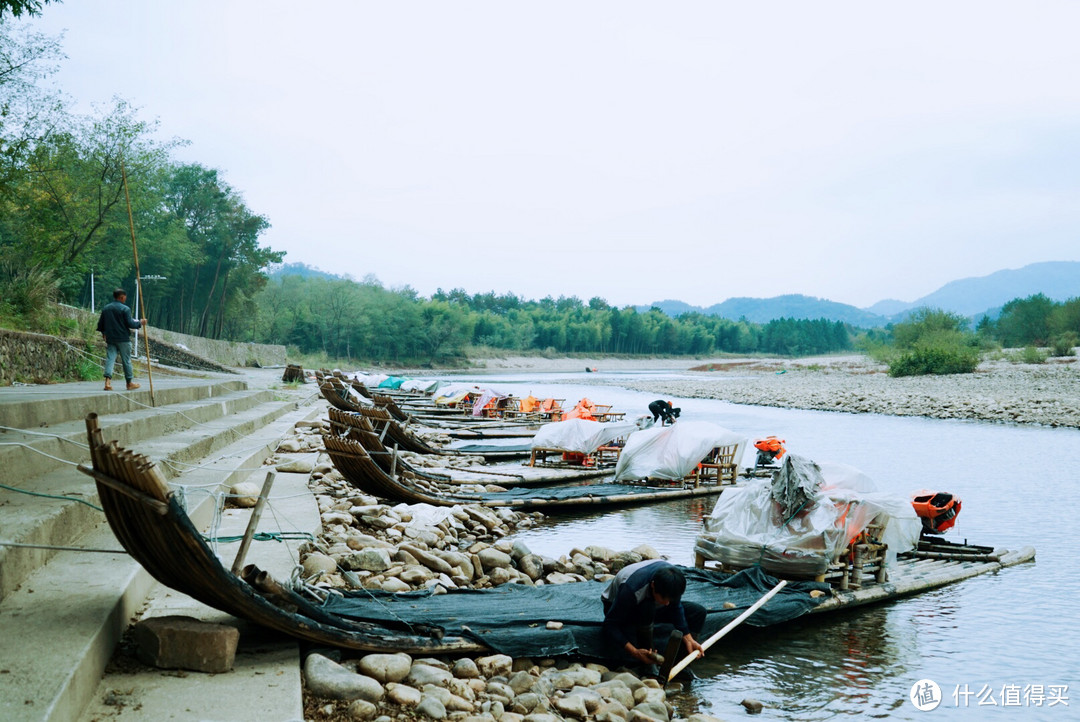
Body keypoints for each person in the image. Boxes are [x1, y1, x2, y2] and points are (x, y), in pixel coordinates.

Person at [601, 559, 705, 670]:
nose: (667, 604)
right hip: (620, 608)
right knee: (647, 607)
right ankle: (649, 662)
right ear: (653, 586)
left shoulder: (673, 581)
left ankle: (680, 665)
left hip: (651, 604)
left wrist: (689, 639)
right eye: (664, 599)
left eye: (670, 599)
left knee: (698, 612)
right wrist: (635, 652)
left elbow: (676, 607)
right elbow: (610, 625)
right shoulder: (630, 589)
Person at [97, 288, 146, 391]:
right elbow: (130, 324)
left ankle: (107, 382)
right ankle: (129, 383)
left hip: (110, 338)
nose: (125, 299)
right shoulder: (125, 309)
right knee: (126, 361)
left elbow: (101, 324)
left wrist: (104, 333)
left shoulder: (106, 308)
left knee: (110, 359)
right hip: (123, 338)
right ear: (122, 297)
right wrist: (140, 323)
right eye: (125, 298)